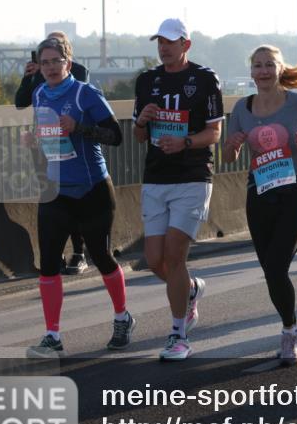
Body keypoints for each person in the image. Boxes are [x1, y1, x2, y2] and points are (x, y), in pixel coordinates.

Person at [21, 37, 132, 357]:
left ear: (68, 64)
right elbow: (47, 139)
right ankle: (52, 336)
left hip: (92, 189)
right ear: (38, 68)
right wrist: (33, 143)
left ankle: (123, 317)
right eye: (45, 63)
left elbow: (116, 136)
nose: (51, 68)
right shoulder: (39, 93)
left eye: (57, 61)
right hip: (56, 192)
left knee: (101, 255)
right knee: (48, 264)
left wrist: (80, 127)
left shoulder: (85, 93)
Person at [224, 46, 297, 364]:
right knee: (270, 270)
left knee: (276, 265)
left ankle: (289, 333)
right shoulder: (242, 108)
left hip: (294, 193)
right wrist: (232, 146)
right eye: (258, 65)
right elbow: (229, 158)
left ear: (280, 69)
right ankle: (292, 326)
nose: (264, 70)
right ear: (251, 72)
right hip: (259, 195)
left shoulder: (296, 102)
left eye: (270, 64)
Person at [132, 18, 224, 361]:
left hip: (192, 176)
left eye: (170, 41)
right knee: (154, 259)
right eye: (160, 41)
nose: (163, 47)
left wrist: (185, 142)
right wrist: (143, 120)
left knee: (174, 255)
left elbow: (214, 133)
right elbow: (139, 135)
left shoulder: (204, 79)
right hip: (156, 178)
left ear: (186, 44)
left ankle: (178, 335)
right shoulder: (146, 81)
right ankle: (191, 290)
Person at [15, 31, 92, 276]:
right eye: (44, 58)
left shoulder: (78, 71)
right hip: (43, 144)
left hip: (69, 146)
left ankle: (79, 253)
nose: (48, 64)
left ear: (65, 53)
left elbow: (83, 99)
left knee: (73, 203)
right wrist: (28, 77)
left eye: (54, 55)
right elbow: (20, 102)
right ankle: (54, 255)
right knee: (49, 199)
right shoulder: (39, 72)